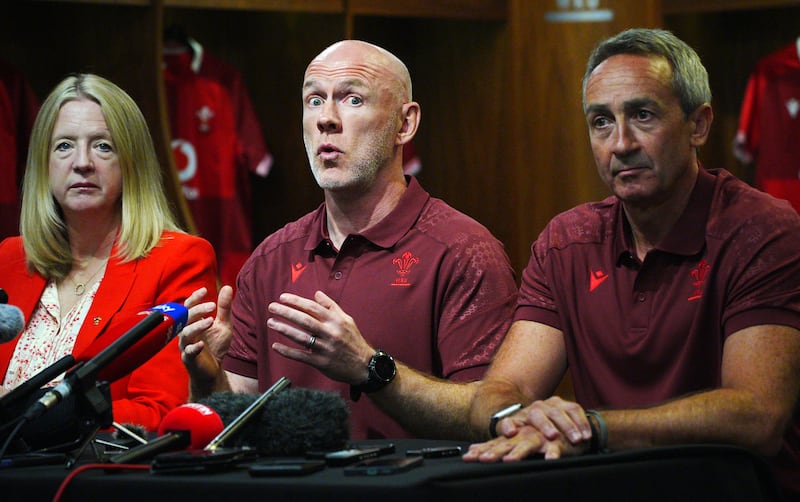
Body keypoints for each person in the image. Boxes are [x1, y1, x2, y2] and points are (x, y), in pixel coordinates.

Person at [464, 28, 800, 499]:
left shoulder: (762, 229)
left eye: (642, 115)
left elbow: (757, 416)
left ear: (698, 125)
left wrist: (592, 429)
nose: (620, 143)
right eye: (601, 121)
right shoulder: (566, 240)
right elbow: (501, 390)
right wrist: (515, 417)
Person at [179, 40, 518, 440]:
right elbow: (235, 425)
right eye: (314, 100)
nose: (327, 119)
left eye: (352, 99)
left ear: (404, 124)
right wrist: (206, 380)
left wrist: (369, 367)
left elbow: (490, 418)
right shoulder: (270, 257)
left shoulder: (464, 251)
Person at [0, 74, 218, 431]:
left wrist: (31, 415)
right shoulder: (9, 258)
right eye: (64, 146)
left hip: (94, 480)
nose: (82, 162)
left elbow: (160, 413)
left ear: (132, 162)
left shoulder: (178, 260)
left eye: (103, 146)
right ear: (44, 164)